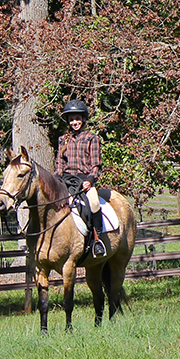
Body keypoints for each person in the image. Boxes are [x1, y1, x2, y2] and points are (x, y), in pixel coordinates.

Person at [55, 98, 107, 259]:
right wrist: (57, 177)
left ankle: (97, 241)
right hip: (67, 180)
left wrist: (90, 180)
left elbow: (96, 164)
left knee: (93, 202)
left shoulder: (92, 138)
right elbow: (59, 163)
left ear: (83, 119)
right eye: (71, 119)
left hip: (85, 180)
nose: (74, 122)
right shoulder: (63, 139)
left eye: (77, 118)